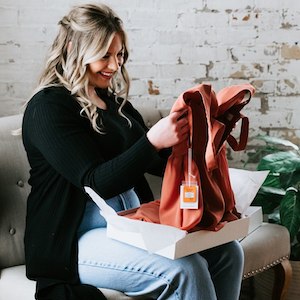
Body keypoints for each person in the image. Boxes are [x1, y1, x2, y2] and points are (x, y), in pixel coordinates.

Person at [22, 3, 244, 300]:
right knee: (185, 268)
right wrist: (152, 141)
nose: (114, 66)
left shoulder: (113, 105)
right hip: (72, 239)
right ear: (76, 48)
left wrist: (202, 138)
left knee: (228, 251)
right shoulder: (47, 108)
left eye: (119, 55)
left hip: (129, 224)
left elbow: (159, 165)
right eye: (105, 55)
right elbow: (94, 181)